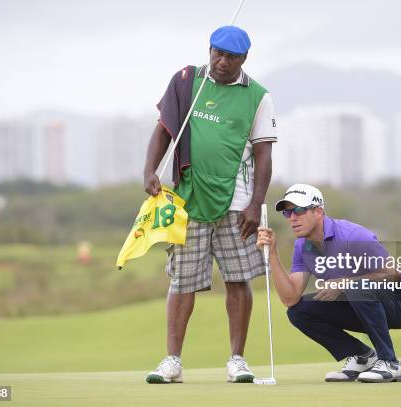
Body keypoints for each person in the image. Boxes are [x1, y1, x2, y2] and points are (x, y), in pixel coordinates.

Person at [143, 25, 277, 384]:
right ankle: (172, 361)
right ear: (209, 50)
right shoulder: (187, 81)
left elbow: (263, 157)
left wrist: (255, 204)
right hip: (188, 201)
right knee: (182, 282)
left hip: (238, 204)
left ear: (243, 59)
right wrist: (150, 171)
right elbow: (163, 131)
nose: (221, 61)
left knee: (238, 279)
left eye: (230, 56)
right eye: (217, 53)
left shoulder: (258, 96)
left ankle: (237, 360)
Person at [256, 184, 401, 383]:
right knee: (298, 311)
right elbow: (290, 298)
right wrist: (273, 254)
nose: (293, 217)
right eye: (288, 212)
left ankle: (390, 363)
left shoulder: (352, 235)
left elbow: (393, 273)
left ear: (318, 211)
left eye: (299, 210)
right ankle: (362, 356)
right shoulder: (303, 245)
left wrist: (345, 282)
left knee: (356, 288)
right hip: (362, 303)